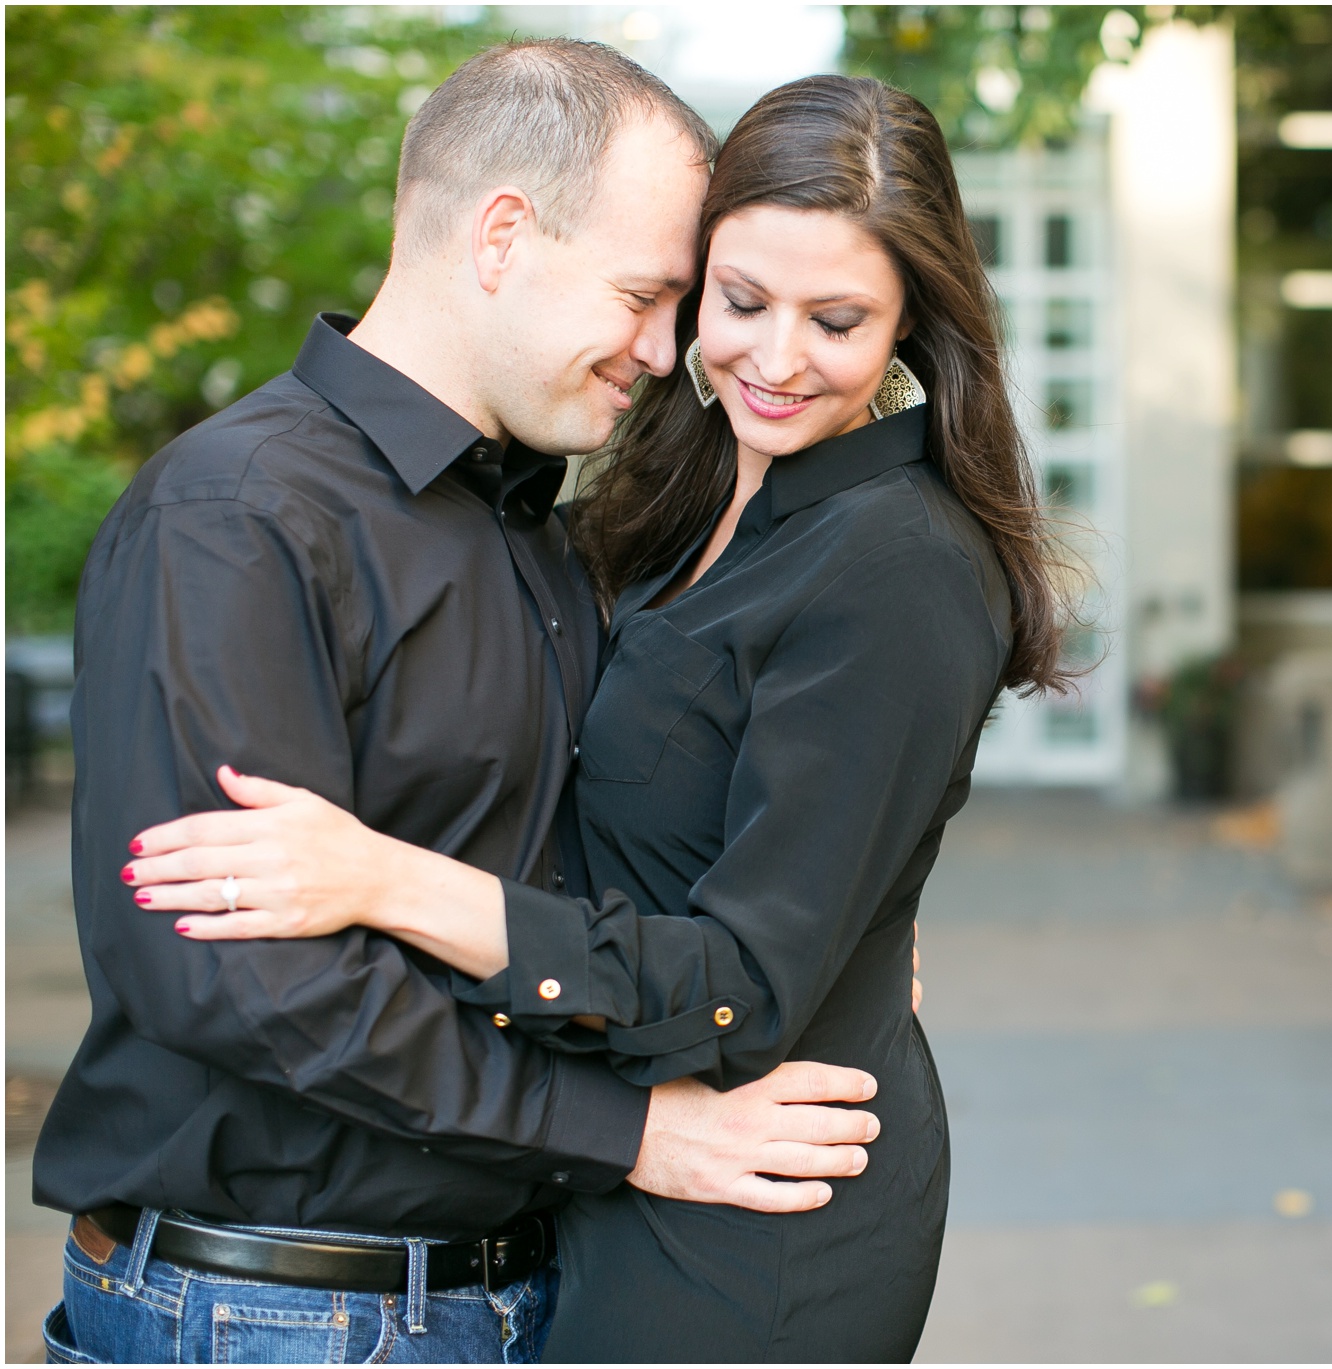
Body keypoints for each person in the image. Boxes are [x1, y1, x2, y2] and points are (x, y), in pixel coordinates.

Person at [126, 74, 1079, 1361]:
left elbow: (743, 975)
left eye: (839, 319)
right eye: (722, 301)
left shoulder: (891, 554)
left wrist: (380, 879)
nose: (775, 355)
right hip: (552, 1218)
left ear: (913, 324)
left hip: (745, 1214)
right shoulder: (620, 519)